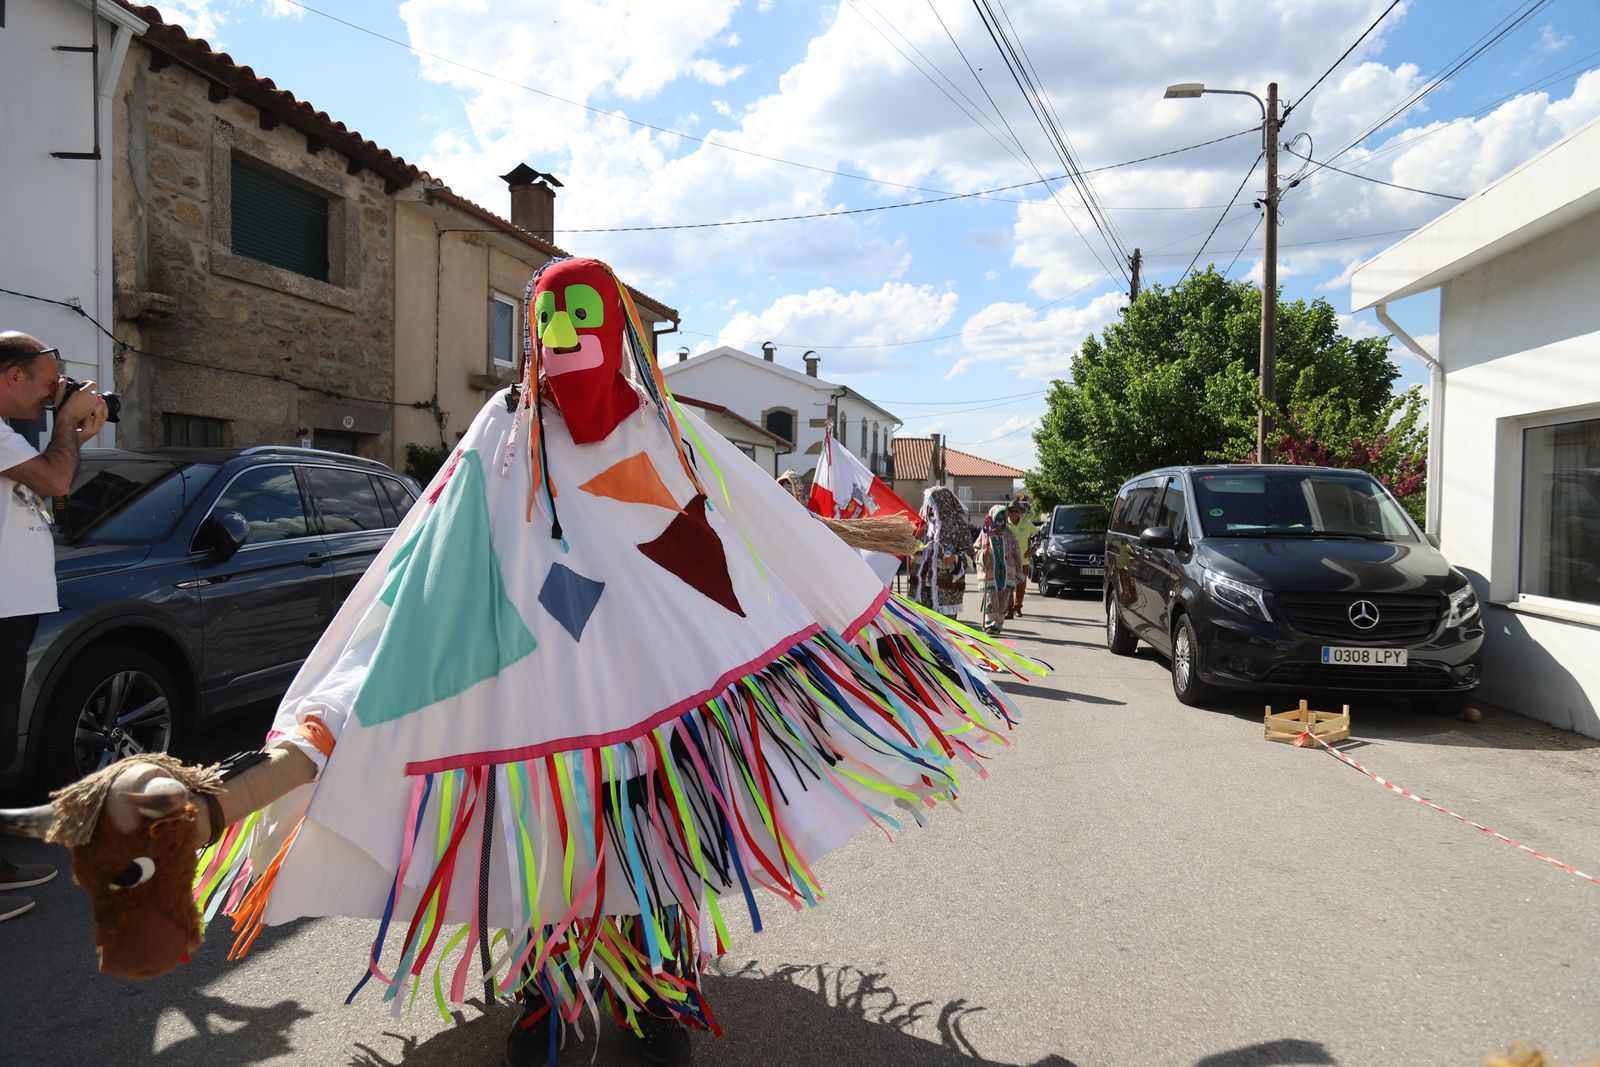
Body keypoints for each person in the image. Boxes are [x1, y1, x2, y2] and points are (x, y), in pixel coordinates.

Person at [0, 331, 108, 922]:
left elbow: (52, 483)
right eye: (48, 379)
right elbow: (57, 481)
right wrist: (67, 426)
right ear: (12, 375)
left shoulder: (11, 439)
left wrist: (73, 433)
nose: (55, 391)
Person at [908, 486, 971, 621]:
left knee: (940, 634)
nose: (929, 508)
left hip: (945, 590)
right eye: (927, 504)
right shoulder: (922, 525)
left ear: (943, 503)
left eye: (932, 503)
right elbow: (913, 547)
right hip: (921, 588)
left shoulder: (959, 527)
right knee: (921, 631)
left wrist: (955, 558)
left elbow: (970, 555)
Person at [972, 504, 1012, 635]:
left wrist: (1018, 571)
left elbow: (1016, 552)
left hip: (1007, 574)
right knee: (991, 599)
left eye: (1003, 519)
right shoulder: (985, 533)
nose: (1001, 523)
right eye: (998, 519)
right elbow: (975, 549)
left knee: (1003, 601)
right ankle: (990, 624)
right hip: (990, 573)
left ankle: (998, 624)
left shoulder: (1009, 534)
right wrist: (983, 554)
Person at [1005, 501, 1028, 619]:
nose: (1013, 513)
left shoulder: (1026, 523)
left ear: (1019, 512)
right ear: (1008, 513)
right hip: (1008, 560)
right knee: (1008, 585)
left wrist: (1033, 549)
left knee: (1021, 587)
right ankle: (1009, 610)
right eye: (1011, 511)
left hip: (1023, 561)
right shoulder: (1004, 525)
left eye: (1016, 511)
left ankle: (1017, 607)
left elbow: (1040, 535)